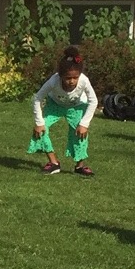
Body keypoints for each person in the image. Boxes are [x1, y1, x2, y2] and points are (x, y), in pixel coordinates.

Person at [29, 45, 97, 176]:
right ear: (60, 76)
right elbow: (37, 98)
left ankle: (80, 166)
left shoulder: (84, 81)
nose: (72, 81)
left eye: (75, 77)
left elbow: (93, 101)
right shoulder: (53, 81)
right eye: (68, 78)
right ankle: (53, 163)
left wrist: (84, 124)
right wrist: (39, 122)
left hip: (76, 106)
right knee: (41, 130)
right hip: (55, 105)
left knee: (80, 133)